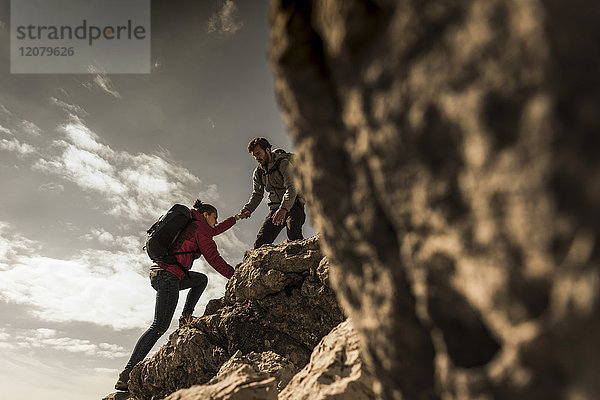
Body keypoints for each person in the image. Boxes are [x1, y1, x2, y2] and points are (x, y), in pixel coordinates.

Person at [115, 200, 242, 391]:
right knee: (159, 325)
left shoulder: (195, 223)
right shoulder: (201, 229)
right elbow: (214, 258)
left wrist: (236, 218)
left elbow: (215, 230)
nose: (217, 222)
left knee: (200, 280)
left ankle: (186, 317)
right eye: (215, 217)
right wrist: (236, 276)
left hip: (163, 273)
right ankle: (127, 373)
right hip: (168, 276)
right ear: (206, 215)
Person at [240, 137, 306, 249]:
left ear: (267, 150)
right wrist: (248, 209)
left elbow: (292, 187)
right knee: (260, 242)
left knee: (294, 236)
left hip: (293, 205)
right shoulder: (259, 173)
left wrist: (284, 208)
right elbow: (257, 194)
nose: (257, 158)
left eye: (258, 153)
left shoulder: (283, 164)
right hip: (275, 209)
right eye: (254, 155)